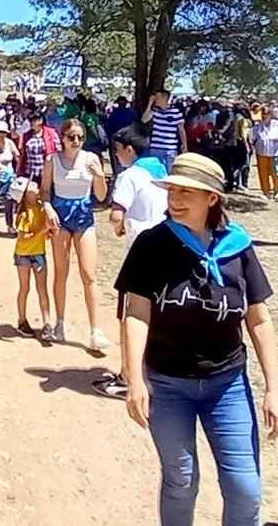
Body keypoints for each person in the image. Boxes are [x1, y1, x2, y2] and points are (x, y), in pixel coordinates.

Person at [117, 153, 278, 526]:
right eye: (172, 190)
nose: (175, 199)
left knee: (245, 487)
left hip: (227, 384)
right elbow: (136, 313)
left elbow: (258, 319)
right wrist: (135, 378)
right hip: (167, 383)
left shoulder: (237, 246)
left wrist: (273, 389)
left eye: (187, 192)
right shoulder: (151, 245)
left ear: (212, 198)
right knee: (181, 480)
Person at [97, 124, 170, 397]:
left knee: (130, 317)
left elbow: (117, 216)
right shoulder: (163, 173)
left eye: (118, 150)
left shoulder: (130, 175)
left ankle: (128, 377)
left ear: (129, 150)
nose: (116, 156)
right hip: (168, 248)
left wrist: (120, 230)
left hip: (141, 254)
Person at [42, 119, 112, 352]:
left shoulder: (91, 160)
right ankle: (60, 322)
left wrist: (100, 176)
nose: (76, 141)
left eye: (80, 137)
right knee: (61, 272)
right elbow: (44, 191)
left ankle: (95, 330)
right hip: (60, 216)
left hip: (84, 215)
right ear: (62, 137)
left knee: (89, 273)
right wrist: (47, 207)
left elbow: (101, 197)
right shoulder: (52, 161)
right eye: (71, 137)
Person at [9, 179, 53, 339]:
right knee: (25, 288)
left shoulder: (43, 209)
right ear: (26, 195)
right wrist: (43, 230)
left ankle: (47, 323)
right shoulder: (24, 214)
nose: (35, 184)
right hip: (24, 255)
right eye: (31, 185)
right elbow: (24, 237)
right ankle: (22, 320)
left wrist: (48, 231)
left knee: (42, 289)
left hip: (38, 253)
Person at [142, 88, 187, 168]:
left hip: (170, 149)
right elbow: (144, 120)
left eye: (157, 97)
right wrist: (150, 104)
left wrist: (185, 145)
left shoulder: (176, 112)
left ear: (164, 97)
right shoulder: (155, 111)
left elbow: (181, 130)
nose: (155, 99)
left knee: (169, 172)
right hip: (155, 148)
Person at [19, 108, 59, 181]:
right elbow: (22, 152)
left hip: (46, 172)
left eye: (34, 120)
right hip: (30, 172)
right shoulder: (26, 135)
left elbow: (58, 151)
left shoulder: (51, 133)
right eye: (30, 120)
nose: (32, 123)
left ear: (40, 120)